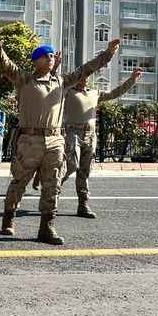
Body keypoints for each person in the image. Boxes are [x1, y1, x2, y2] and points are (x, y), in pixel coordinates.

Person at [0, 27, 120, 245]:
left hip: (55, 140)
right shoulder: (23, 80)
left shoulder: (61, 82)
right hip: (29, 141)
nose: (50, 57)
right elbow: (4, 63)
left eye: (51, 55)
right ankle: (9, 217)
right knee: (19, 182)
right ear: (35, 61)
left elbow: (87, 69)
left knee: (53, 184)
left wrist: (108, 53)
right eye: (45, 55)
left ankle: (47, 227)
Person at [62, 68, 141, 218]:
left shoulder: (94, 93)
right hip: (72, 133)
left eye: (86, 76)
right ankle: (52, 194)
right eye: (80, 76)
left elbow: (114, 93)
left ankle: (83, 205)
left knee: (85, 171)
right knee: (70, 166)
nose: (84, 79)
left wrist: (132, 80)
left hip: (90, 136)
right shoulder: (67, 92)